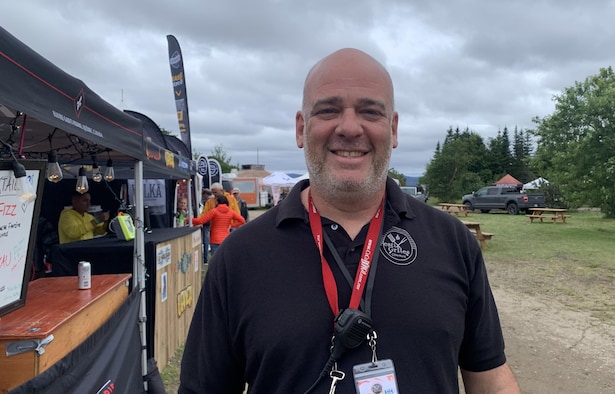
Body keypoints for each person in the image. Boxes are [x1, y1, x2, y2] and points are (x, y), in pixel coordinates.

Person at [179, 48, 520, 393]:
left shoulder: (452, 241)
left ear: (393, 129)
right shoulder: (240, 257)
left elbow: (489, 375)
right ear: (301, 128)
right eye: (328, 110)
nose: (349, 127)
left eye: (370, 112)